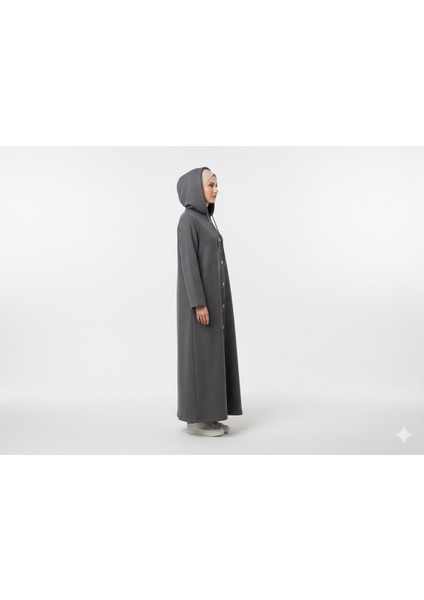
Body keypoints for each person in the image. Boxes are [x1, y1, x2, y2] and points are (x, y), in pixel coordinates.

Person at [176, 166, 243, 436]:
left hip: (216, 302)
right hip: (200, 306)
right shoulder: (188, 221)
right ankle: (196, 419)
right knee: (200, 357)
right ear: (197, 189)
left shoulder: (206, 220)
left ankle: (211, 416)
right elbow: (188, 263)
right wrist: (198, 303)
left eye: (216, 185)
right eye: (210, 185)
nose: (216, 190)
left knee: (212, 357)